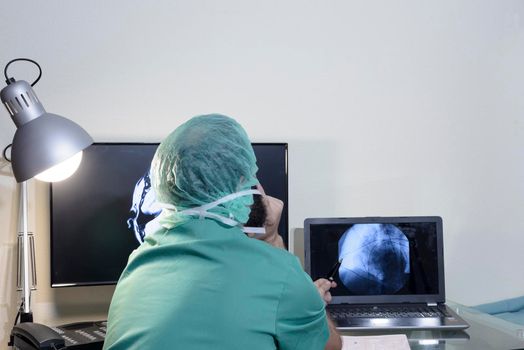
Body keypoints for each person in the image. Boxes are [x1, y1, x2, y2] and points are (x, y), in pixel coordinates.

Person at [103, 114, 342, 350]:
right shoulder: (279, 271)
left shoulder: (137, 263)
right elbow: (330, 347)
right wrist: (310, 302)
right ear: (241, 183)